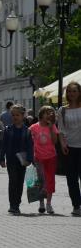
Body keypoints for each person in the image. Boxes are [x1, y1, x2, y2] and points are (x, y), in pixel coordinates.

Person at [0, 105, 33, 214]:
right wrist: (1, 158)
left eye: (17, 115)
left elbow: (30, 146)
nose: (15, 117)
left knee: (19, 183)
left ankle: (17, 203)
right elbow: (3, 145)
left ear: (23, 116)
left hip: (22, 161)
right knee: (13, 181)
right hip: (11, 160)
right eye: (13, 115)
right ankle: (12, 205)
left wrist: (30, 159)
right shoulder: (8, 130)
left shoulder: (27, 131)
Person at [57, 82, 81, 216]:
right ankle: (76, 205)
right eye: (70, 91)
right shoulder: (63, 110)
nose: (72, 94)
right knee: (71, 179)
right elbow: (60, 130)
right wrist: (62, 144)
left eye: (74, 91)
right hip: (69, 147)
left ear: (79, 92)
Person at [29, 106, 58, 214]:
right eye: (47, 113)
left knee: (49, 181)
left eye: (51, 113)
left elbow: (55, 141)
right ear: (41, 114)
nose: (49, 115)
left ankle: (49, 204)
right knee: (41, 180)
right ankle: (41, 203)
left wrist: (51, 128)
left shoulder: (53, 127)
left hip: (51, 157)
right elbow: (28, 139)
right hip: (38, 158)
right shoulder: (34, 127)